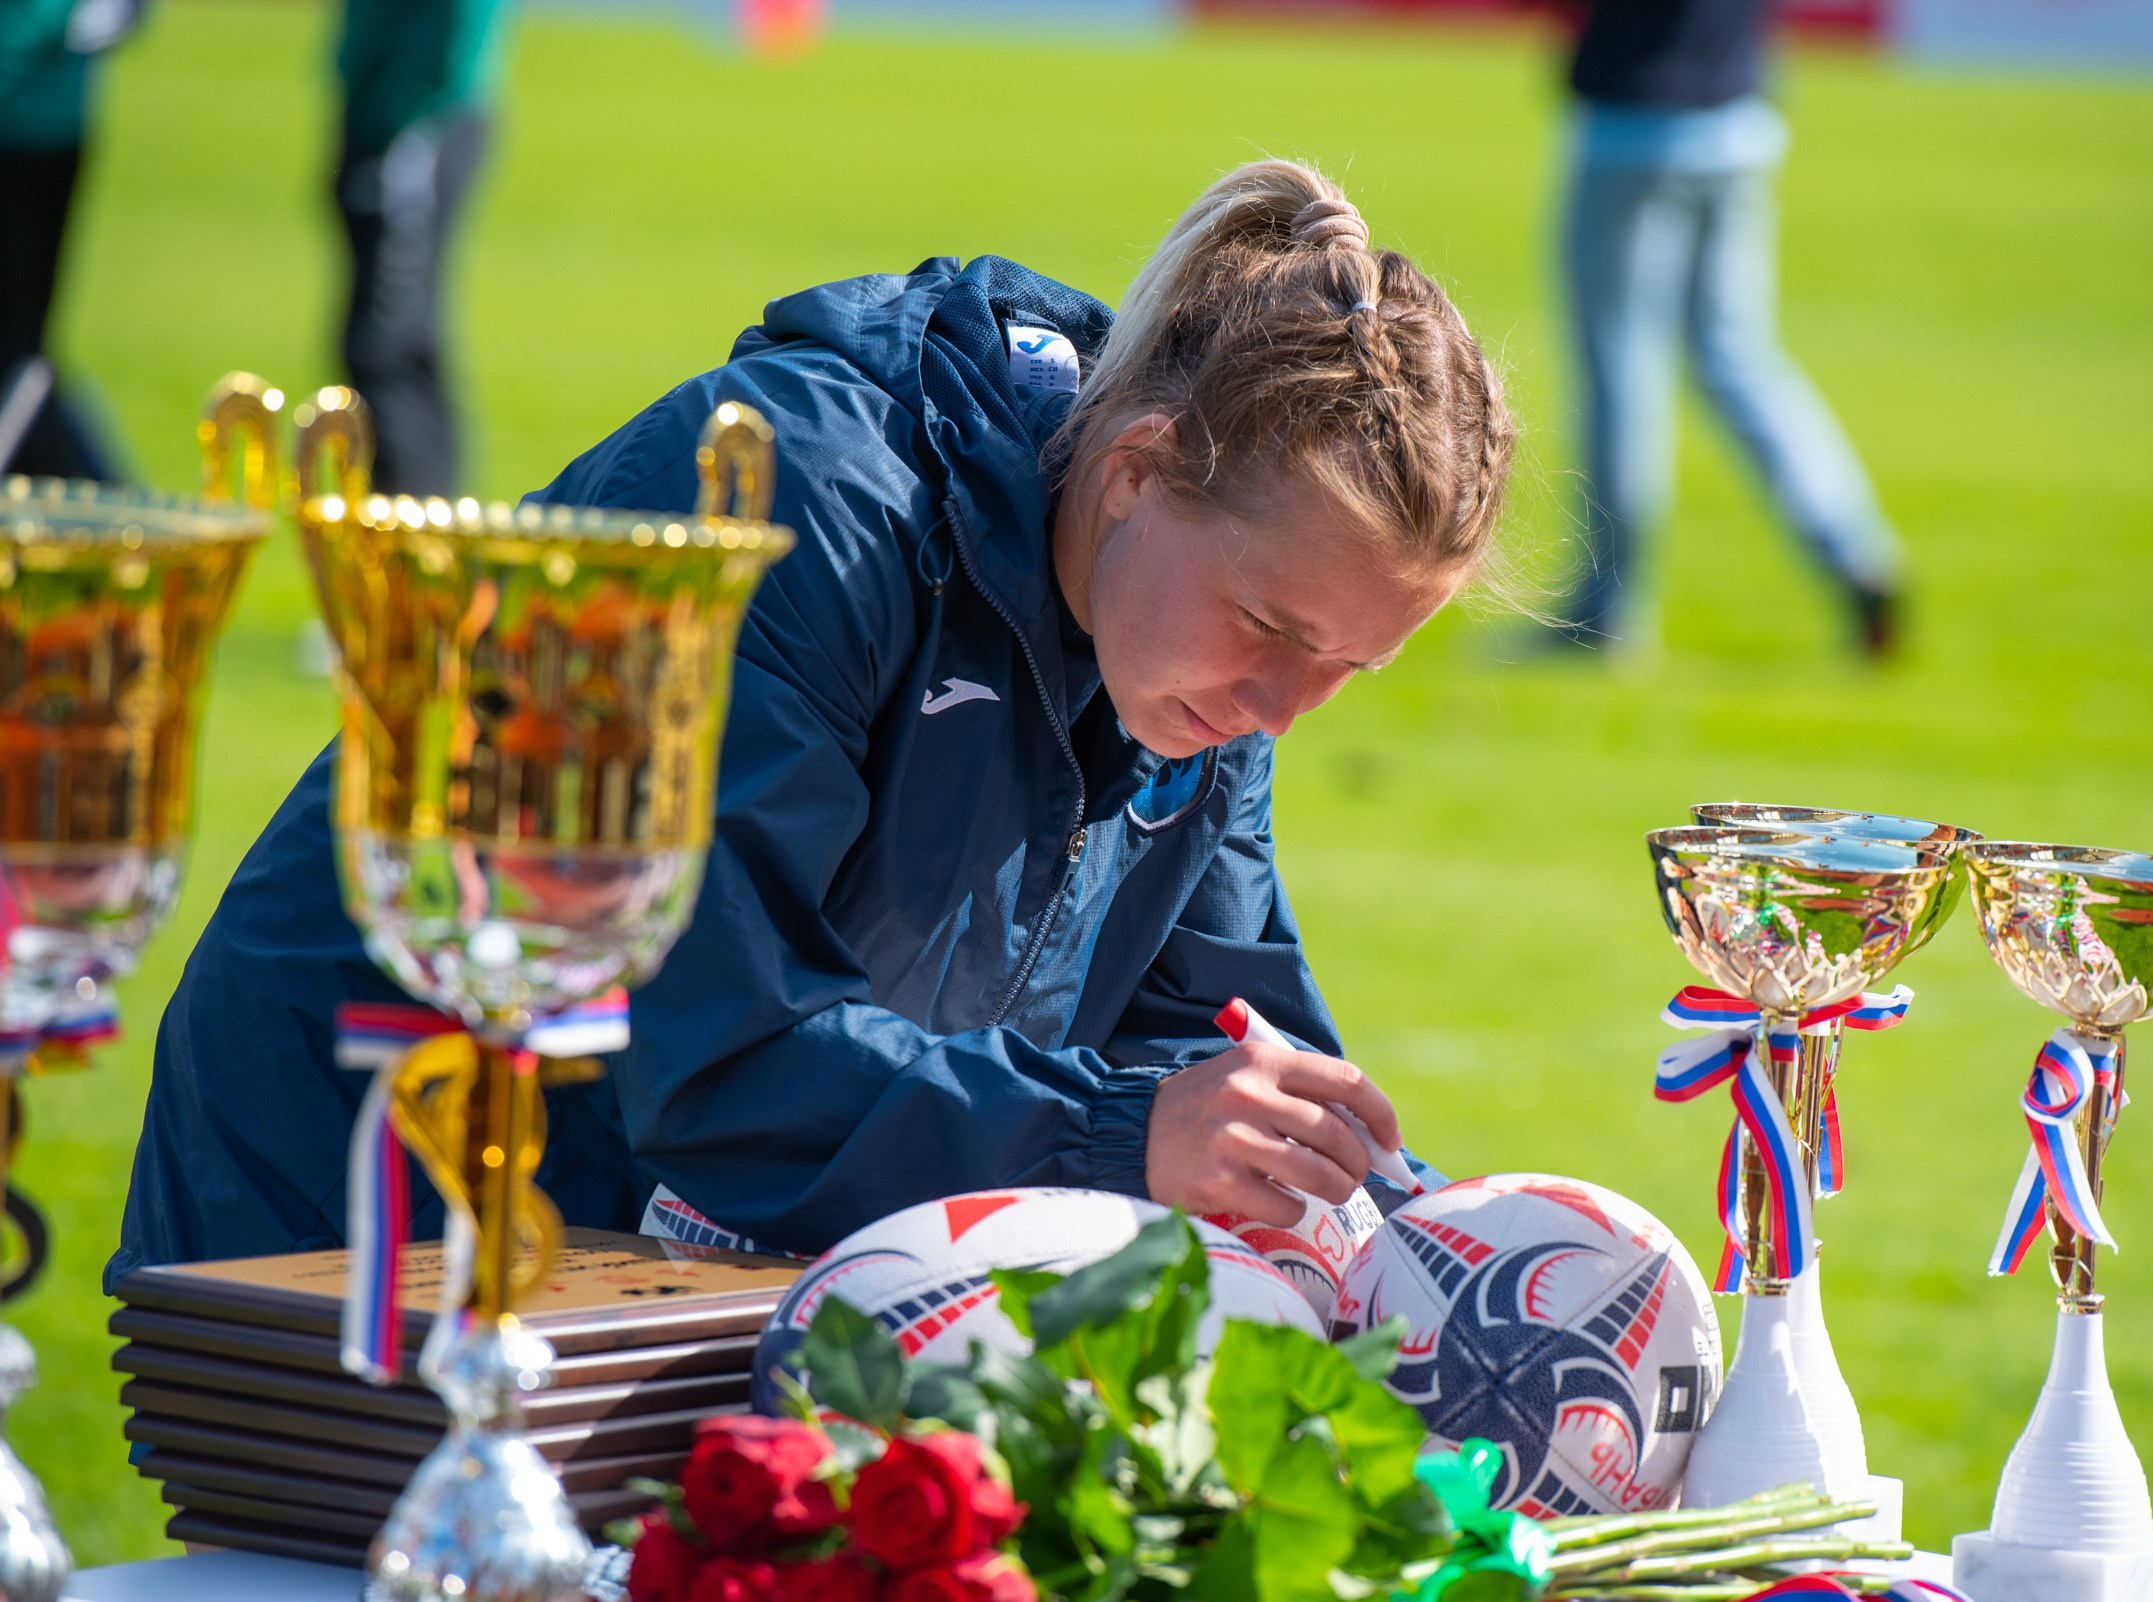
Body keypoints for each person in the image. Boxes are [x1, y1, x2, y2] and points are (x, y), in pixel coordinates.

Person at [105, 159, 1516, 1285]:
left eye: (1349, 667)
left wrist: (1446, 1245)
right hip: (358, 1200)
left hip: (661, 1262)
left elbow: (1210, 1036)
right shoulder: (801, 510)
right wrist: (1115, 1135)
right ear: (1138, 470)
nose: (1284, 706)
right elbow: (712, 1054)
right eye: (1275, 631)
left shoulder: (1200, 653)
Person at [1556, 0, 1902, 658]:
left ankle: (1610, 611)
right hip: (1738, 115)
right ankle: (1854, 546)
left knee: (1621, 370)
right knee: (1739, 361)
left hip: (1634, 117)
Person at [332, 0, 510, 495]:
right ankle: (412, 544)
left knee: (388, 348)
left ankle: (413, 552)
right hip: (386, 102)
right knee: (382, 347)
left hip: (415, 114)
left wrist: (409, 113)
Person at [0, 0, 140, 479]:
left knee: (18, 352)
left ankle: (110, 505)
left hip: (27, 130)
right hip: (49, 119)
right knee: (21, 349)